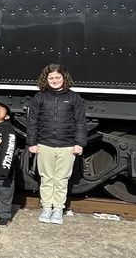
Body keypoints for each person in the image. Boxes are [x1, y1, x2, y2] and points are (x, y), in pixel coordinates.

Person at [26, 63, 87, 224]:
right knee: (46, 178)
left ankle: (58, 208)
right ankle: (46, 208)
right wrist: (32, 142)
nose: (54, 80)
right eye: (51, 78)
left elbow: (80, 122)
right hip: (45, 144)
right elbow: (32, 122)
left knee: (61, 179)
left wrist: (79, 143)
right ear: (46, 80)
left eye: (57, 77)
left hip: (67, 145)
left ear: (64, 78)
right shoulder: (39, 97)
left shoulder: (74, 98)